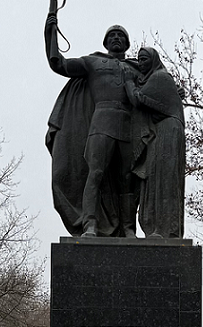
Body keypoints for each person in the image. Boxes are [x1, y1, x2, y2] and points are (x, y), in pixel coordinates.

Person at [45, 14, 140, 237]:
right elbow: (59, 63)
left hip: (128, 126)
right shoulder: (93, 62)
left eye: (121, 36)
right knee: (95, 173)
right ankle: (90, 224)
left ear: (126, 43)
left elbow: (157, 86)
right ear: (105, 43)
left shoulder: (137, 68)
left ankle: (128, 228)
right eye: (112, 35)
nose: (116, 38)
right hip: (101, 122)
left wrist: (175, 93)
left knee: (127, 178)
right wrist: (50, 32)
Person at [128, 46, 185, 238]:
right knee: (154, 178)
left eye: (145, 59)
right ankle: (155, 228)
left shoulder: (160, 77)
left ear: (154, 60)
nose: (141, 63)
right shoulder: (155, 79)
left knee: (165, 179)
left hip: (168, 131)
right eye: (139, 60)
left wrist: (129, 82)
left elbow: (137, 99)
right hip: (160, 131)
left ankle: (165, 229)